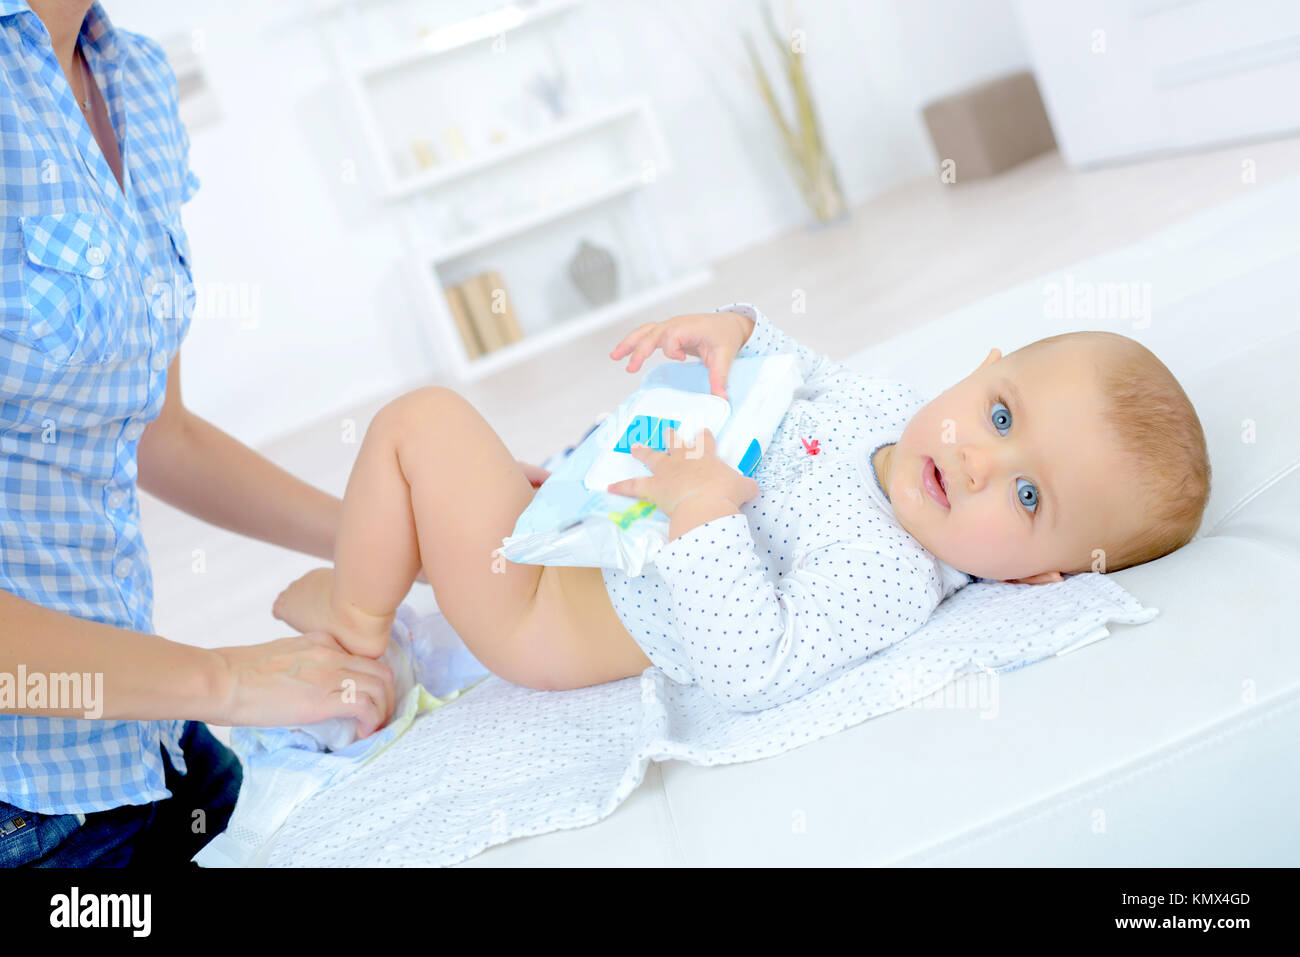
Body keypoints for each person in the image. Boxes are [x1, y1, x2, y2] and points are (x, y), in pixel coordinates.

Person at [271, 300, 1211, 714]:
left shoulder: (892, 574)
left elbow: (754, 669)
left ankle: (355, 643)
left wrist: (707, 511)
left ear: (1040, 576)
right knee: (484, 483)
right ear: (980, 368)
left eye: (1028, 493)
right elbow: (807, 374)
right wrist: (742, 331)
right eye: (1001, 414)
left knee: (421, 424)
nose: (978, 461)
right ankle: (382, 589)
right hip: (589, 526)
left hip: (546, 611)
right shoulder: (890, 411)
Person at [1, 0, 407, 867]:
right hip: (22, 805)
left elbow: (160, 432)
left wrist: (392, 530)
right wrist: (224, 676)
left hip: (140, 734)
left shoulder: (132, 73)